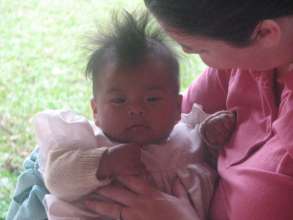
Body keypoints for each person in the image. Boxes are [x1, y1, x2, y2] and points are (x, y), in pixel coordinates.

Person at [84, 1, 293, 220]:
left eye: (200, 49)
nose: (185, 52)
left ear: (265, 33)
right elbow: (176, 126)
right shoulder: (246, 63)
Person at [28, 11, 235, 220]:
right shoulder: (91, 144)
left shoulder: (187, 138)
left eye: (152, 99)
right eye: (119, 100)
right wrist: (103, 163)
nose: (136, 109)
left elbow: (209, 163)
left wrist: (210, 137)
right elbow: (56, 180)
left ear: (177, 107)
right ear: (96, 111)